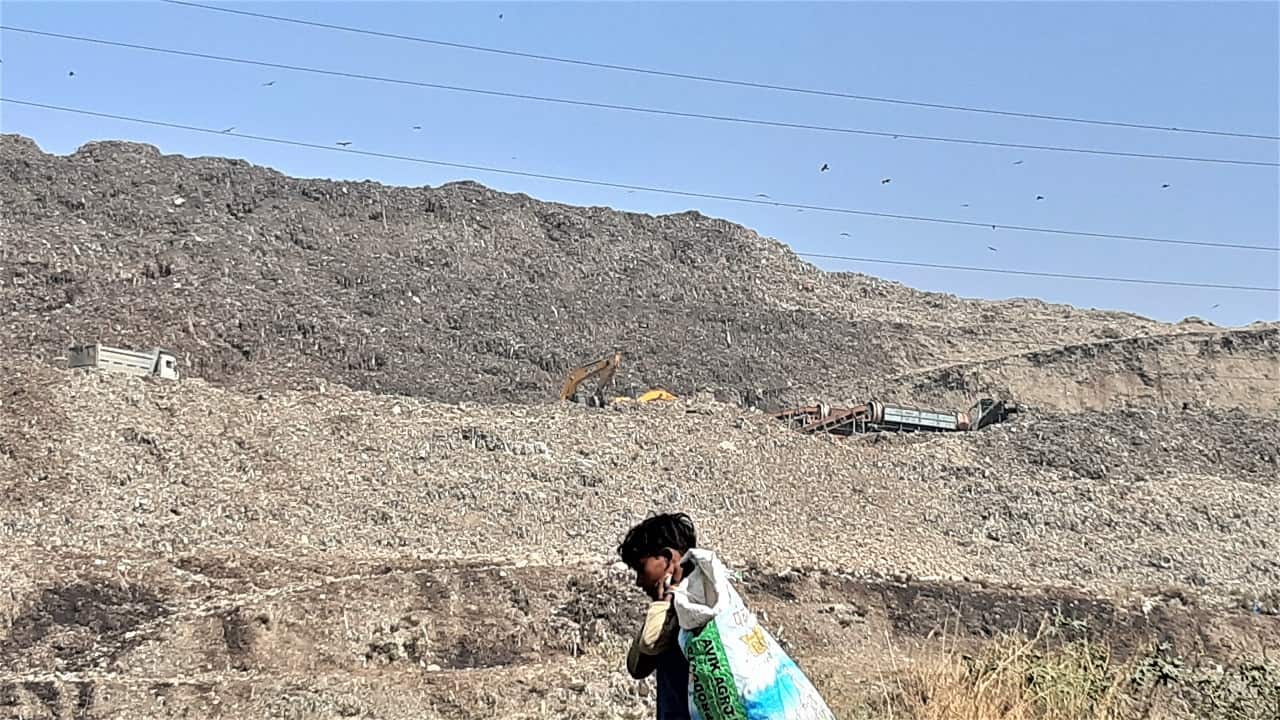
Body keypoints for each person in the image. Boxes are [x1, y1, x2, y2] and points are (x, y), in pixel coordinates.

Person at [619, 512, 697, 720]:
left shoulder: (698, 605)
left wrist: (666, 599)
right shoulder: (667, 607)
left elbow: (650, 641)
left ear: (668, 559)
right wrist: (663, 603)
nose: (638, 582)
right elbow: (637, 666)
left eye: (641, 569)